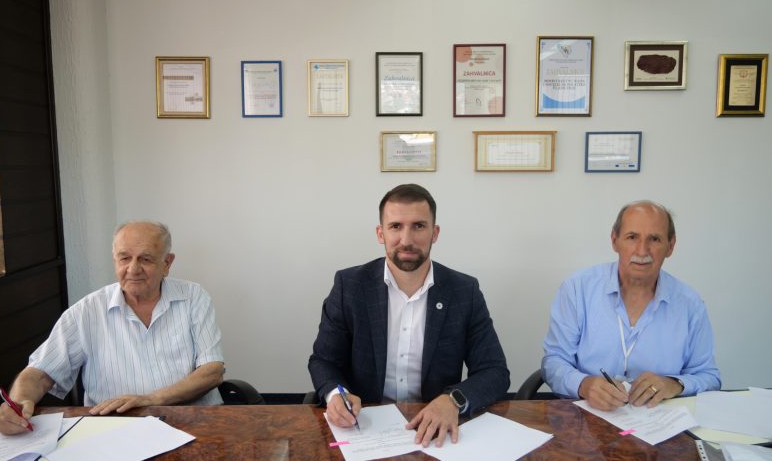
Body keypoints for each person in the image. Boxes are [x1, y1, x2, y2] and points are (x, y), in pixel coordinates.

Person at [308, 184, 509, 447]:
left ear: (434, 233)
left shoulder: (463, 291)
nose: (406, 240)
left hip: (434, 429)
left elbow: (494, 371)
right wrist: (336, 394)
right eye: (395, 226)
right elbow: (323, 360)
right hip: (365, 426)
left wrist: (453, 400)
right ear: (380, 233)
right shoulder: (350, 286)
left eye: (418, 226)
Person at [0, 221, 225, 435]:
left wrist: (150, 400)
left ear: (167, 263)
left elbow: (212, 371)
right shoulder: (86, 312)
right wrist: (18, 403)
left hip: (194, 421)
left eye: (145, 259)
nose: (133, 269)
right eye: (124, 258)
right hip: (115, 428)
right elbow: (40, 373)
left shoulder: (193, 298)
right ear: (115, 260)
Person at [542, 201, 721, 411]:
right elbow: (553, 362)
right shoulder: (577, 289)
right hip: (586, 415)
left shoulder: (690, 304)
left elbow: (709, 376)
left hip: (660, 419)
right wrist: (584, 385)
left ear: (670, 246)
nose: (642, 251)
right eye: (632, 237)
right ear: (615, 241)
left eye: (654, 239)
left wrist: (674, 384)